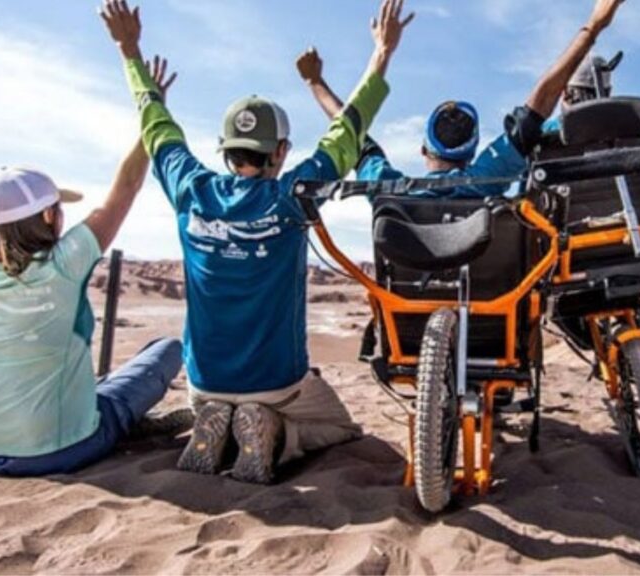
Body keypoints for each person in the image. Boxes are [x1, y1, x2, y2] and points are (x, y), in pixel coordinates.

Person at [100, 0, 413, 484]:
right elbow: (349, 129)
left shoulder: (190, 189)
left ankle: (220, 424)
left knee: (215, 403)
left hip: (204, 382)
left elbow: (155, 123)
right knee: (339, 426)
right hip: (277, 382)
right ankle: (278, 434)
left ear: (225, 153)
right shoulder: (293, 196)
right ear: (282, 151)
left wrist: (129, 52)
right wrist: (382, 55)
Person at [0, 50, 184, 477]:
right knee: (165, 352)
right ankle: (130, 427)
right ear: (51, 216)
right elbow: (126, 185)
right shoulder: (64, 264)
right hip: (57, 449)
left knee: (100, 386)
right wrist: (153, 108)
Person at [297, 0, 625, 198]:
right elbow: (541, 102)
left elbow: (349, 127)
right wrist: (593, 26)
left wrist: (316, 81)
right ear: (471, 153)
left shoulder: (389, 188)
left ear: (424, 150)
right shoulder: (483, 180)